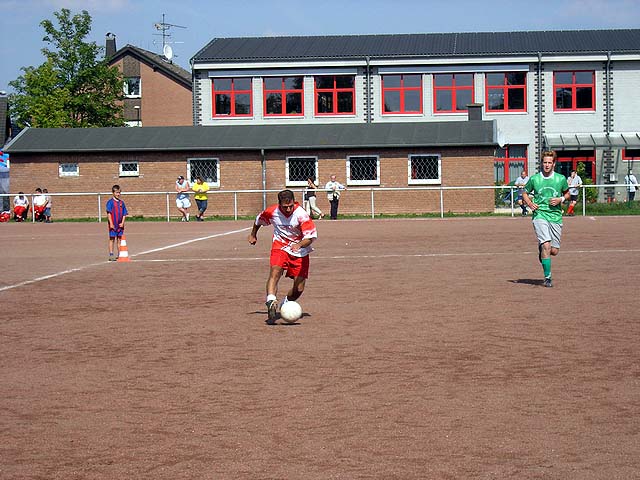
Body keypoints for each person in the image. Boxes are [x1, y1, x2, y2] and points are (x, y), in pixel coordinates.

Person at [247, 189, 318, 324]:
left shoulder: (301, 214)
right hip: (280, 246)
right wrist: (253, 234)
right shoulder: (272, 211)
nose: (288, 209)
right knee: (275, 271)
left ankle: (286, 302)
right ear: (279, 204)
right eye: (285, 207)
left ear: (293, 202)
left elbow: (310, 237)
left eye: (291, 206)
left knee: (299, 289)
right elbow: (258, 221)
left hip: (300, 251)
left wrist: (299, 244)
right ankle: (271, 301)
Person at [522, 150, 570, 288]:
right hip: (539, 214)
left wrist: (560, 199)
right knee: (546, 245)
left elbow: (567, 194)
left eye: (549, 162)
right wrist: (530, 203)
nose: (547, 165)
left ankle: (542, 250)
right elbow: (524, 192)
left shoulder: (560, 179)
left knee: (554, 251)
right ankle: (547, 277)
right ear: (541, 164)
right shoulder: (535, 179)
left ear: (554, 164)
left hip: (555, 216)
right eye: (545, 162)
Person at [106, 184, 128, 261]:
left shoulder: (122, 203)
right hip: (113, 224)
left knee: (119, 239)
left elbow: (125, 214)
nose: (118, 194)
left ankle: (120, 254)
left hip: (120, 225)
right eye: (116, 192)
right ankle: (111, 254)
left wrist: (122, 223)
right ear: (113, 193)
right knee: (112, 239)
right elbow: (109, 213)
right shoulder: (110, 202)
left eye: (119, 192)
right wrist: (111, 223)